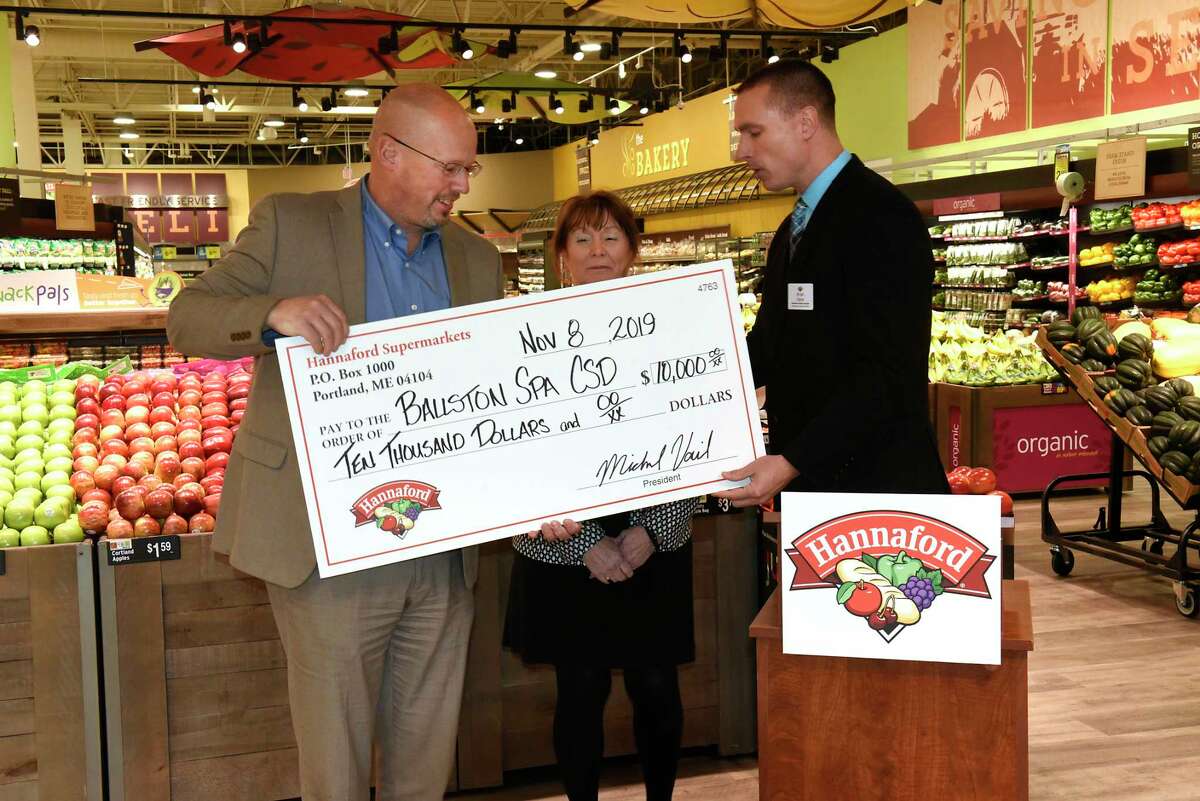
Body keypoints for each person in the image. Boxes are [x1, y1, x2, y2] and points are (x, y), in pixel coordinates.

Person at [168, 84, 532, 801]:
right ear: (388, 152)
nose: (462, 186)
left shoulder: (476, 258)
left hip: (440, 547)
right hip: (326, 546)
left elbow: (499, 390)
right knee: (334, 767)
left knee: (425, 763)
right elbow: (188, 317)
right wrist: (273, 311)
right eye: (450, 168)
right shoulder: (289, 223)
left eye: (470, 171)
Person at [503, 190, 702, 801]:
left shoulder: (677, 331)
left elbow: (699, 432)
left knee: (657, 688)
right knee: (580, 690)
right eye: (582, 239)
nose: (597, 251)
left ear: (633, 251)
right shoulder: (517, 338)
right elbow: (502, 448)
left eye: (611, 237)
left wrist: (653, 531)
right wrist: (587, 543)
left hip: (653, 533)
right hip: (564, 542)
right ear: (561, 255)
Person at [718, 61, 949, 507]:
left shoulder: (882, 217)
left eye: (753, 133)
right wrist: (676, 381)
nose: (740, 151)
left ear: (805, 122)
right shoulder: (793, 230)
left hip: (878, 495)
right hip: (822, 491)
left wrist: (791, 460)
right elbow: (771, 346)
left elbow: (887, 374)